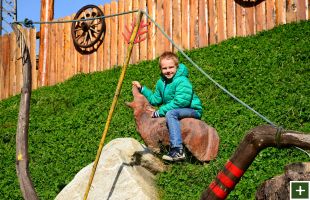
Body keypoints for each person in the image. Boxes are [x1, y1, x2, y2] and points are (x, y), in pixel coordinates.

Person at [132, 51, 202, 161]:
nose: (168, 71)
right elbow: (156, 99)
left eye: (171, 67)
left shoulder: (182, 80)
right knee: (168, 114)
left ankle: (177, 150)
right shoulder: (161, 83)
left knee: (171, 113)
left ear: (177, 67)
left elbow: (181, 102)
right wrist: (142, 89)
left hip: (191, 109)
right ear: (161, 69)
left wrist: (159, 112)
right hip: (178, 109)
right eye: (165, 68)